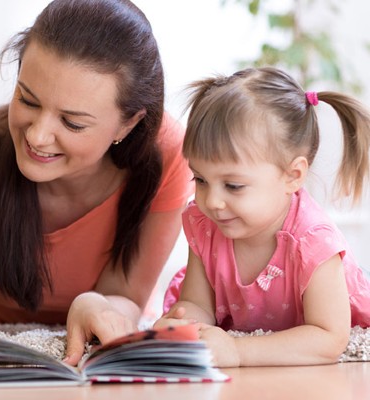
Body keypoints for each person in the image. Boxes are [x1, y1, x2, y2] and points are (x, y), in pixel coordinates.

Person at [0, 0, 192, 365]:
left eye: (72, 123)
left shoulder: (166, 154)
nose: (37, 136)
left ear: (128, 124)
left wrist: (94, 306)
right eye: (27, 100)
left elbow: (126, 296)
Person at [154, 66, 370, 367]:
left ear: (292, 176)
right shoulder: (205, 226)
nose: (212, 201)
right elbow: (197, 303)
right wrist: (185, 326)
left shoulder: (313, 242)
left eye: (234, 186)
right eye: (200, 180)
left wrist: (239, 351)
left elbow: (330, 338)